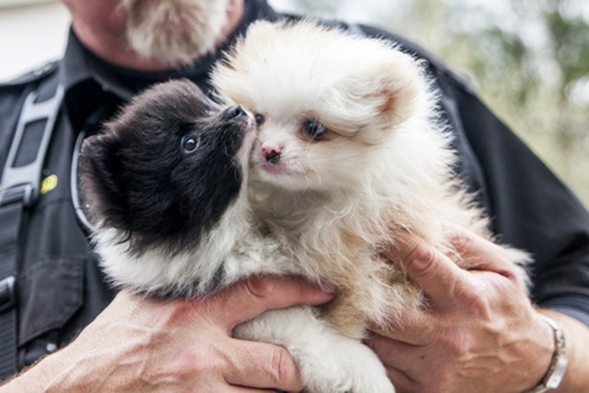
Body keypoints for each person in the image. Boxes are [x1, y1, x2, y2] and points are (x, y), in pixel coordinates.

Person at [0, 0, 587, 391]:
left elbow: (577, 276)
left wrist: (541, 354)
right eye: (259, 118)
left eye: (313, 128)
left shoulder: (384, 77)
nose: (268, 145)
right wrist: (75, 379)